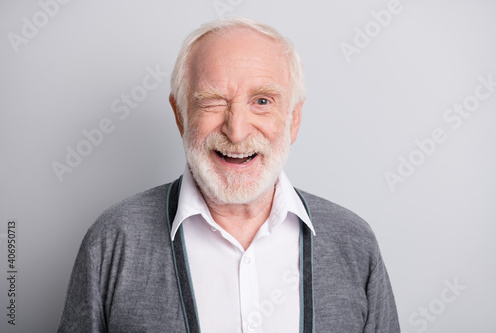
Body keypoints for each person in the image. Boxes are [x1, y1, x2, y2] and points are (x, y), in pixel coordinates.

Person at [58, 17, 400, 333]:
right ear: (180, 116)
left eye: (262, 101)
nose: (236, 131)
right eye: (213, 102)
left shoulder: (353, 244)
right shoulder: (114, 240)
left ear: (293, 120)